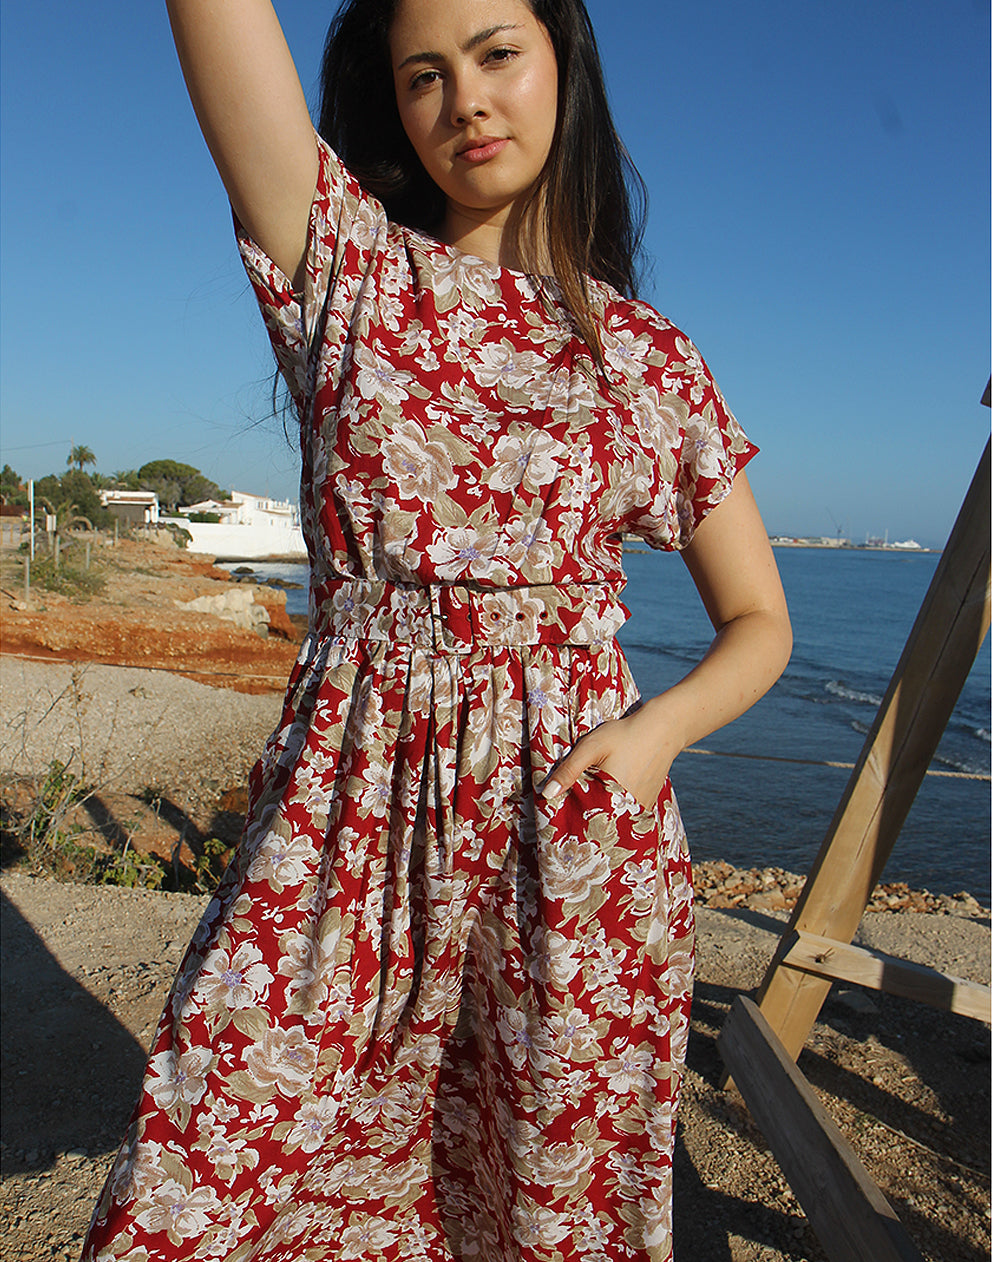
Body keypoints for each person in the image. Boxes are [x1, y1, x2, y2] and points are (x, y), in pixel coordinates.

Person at [82, 0, 792, 1258]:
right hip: (344, 829)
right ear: (397, 112)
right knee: (208, 1177)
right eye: (424, 75)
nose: (463, 97)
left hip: (570, 839)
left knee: (541, 1208)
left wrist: (650, 738)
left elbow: (757, 620)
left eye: (495, 53)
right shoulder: (348, 269)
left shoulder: (647, 358)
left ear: (561, 67)